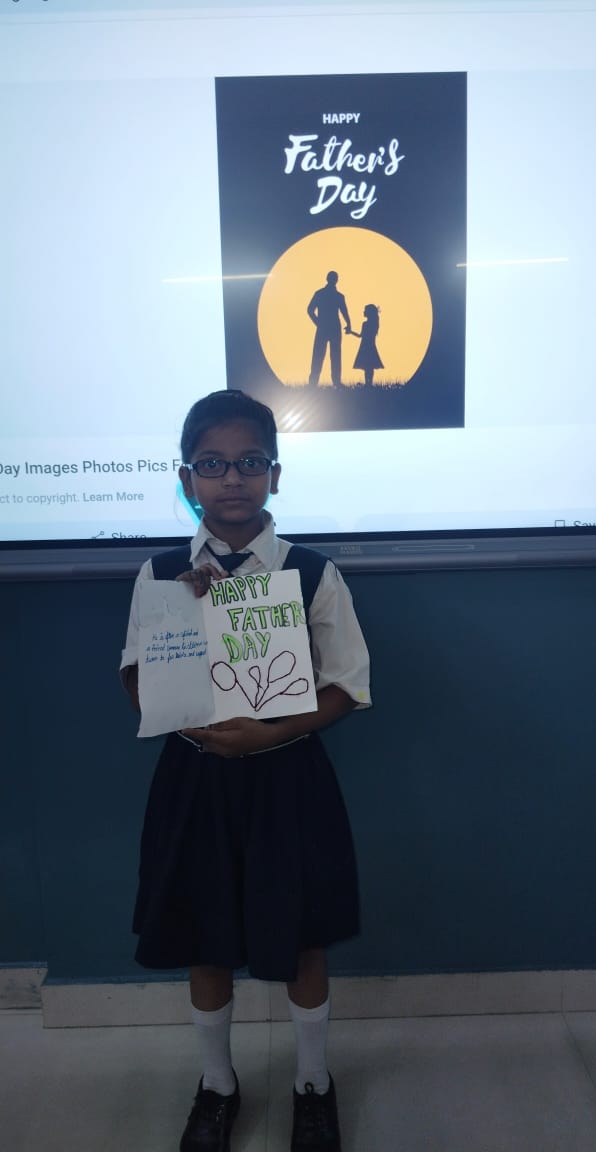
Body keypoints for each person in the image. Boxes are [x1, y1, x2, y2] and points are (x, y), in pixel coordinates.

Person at [120, 389, 371, 1152]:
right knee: (204, 938)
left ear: (275, 474)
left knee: (303, 937)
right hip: (195, 780)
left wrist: (268, 734)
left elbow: (347, 686)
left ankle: (312, 1083)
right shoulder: (162, 574)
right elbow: (136, 676)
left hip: (287, 778)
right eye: (212, 464)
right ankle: (217, 1084)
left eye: (250, 462)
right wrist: (185, 629)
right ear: (187, 478)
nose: (232, 478)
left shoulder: (311, 572)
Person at [307, 271, 352, 387]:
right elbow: (310, 310)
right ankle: (322, 382)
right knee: (325, 355)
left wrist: (318, 323)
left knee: (329, 355)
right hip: (329, 327)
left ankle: (329, 381)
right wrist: (318, 323)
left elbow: (344, 312)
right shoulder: (332, 295)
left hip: (329, 328)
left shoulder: (324, 294)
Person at [350, 304, 383, 387]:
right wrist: (351, 332)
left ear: (369, 313)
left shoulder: (366, 324)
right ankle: (369, 383)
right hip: (371, 346)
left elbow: (360, 336)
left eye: (365, 310)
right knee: (369, 366)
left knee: (367, 366)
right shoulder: (374, 324)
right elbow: (362, 335)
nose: (364, 312)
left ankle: (368, 384)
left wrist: (350, 332)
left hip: (365, 347)